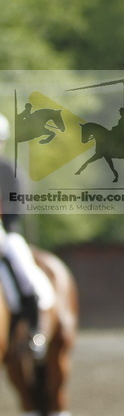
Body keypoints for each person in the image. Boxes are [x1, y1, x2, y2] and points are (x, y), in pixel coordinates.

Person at [0, 113, 46, 357]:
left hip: (5, 233)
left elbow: (17, 208)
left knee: (22, 268)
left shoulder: (9, 170)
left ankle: (34, 329)